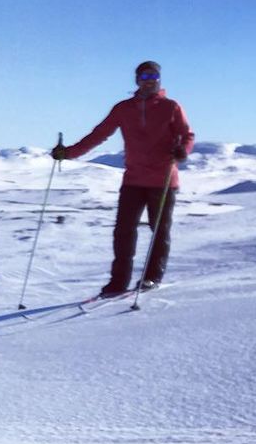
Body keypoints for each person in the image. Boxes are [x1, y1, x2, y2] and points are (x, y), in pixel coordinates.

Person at [51, 60, 194, 296]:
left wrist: (182, 151)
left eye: (153, 77)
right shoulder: (123, 108)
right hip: (133, 180)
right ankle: (118, 282)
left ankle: (151, 277)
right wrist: (68, 153)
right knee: (123, 231)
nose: (149, 82)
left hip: (163, 179)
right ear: (137, 80)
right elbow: (98, 135)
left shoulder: (171, 107)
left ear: (159, 80)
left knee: (159, 230)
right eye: (145, 77)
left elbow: (186, 136)